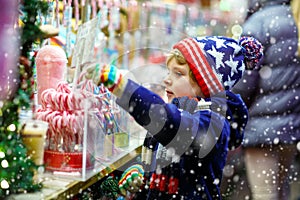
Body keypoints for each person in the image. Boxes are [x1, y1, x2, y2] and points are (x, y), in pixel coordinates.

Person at [90, 35, 263, 199]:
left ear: (206, 84)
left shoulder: (213, 124)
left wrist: (125, 88)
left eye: (178, 74)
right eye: (168, 72)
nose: (166, 80)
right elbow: (160, 167)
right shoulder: (176, 111)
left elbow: (174, 128)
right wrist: (141, 178)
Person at [232, 0, 300, 199]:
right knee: (281, 190)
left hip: (261, 129)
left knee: (265, 194)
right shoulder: (294, 17)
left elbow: (242, 82)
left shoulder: (258, 23)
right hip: (291, 126)